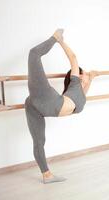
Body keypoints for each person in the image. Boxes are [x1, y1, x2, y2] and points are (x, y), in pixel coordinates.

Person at [24, 29, 97, 184]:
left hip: (41, 107)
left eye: (82, 73)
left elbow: (86, 87)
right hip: (47, 100)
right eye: (81, 73)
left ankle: (47, 175)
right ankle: (54, 37)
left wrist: (91, 77)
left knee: (39, 141)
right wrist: (60, 41)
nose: (82, 74)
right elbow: (73, 57)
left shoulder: (81, 96)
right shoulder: (75, 83)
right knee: (34, 54)